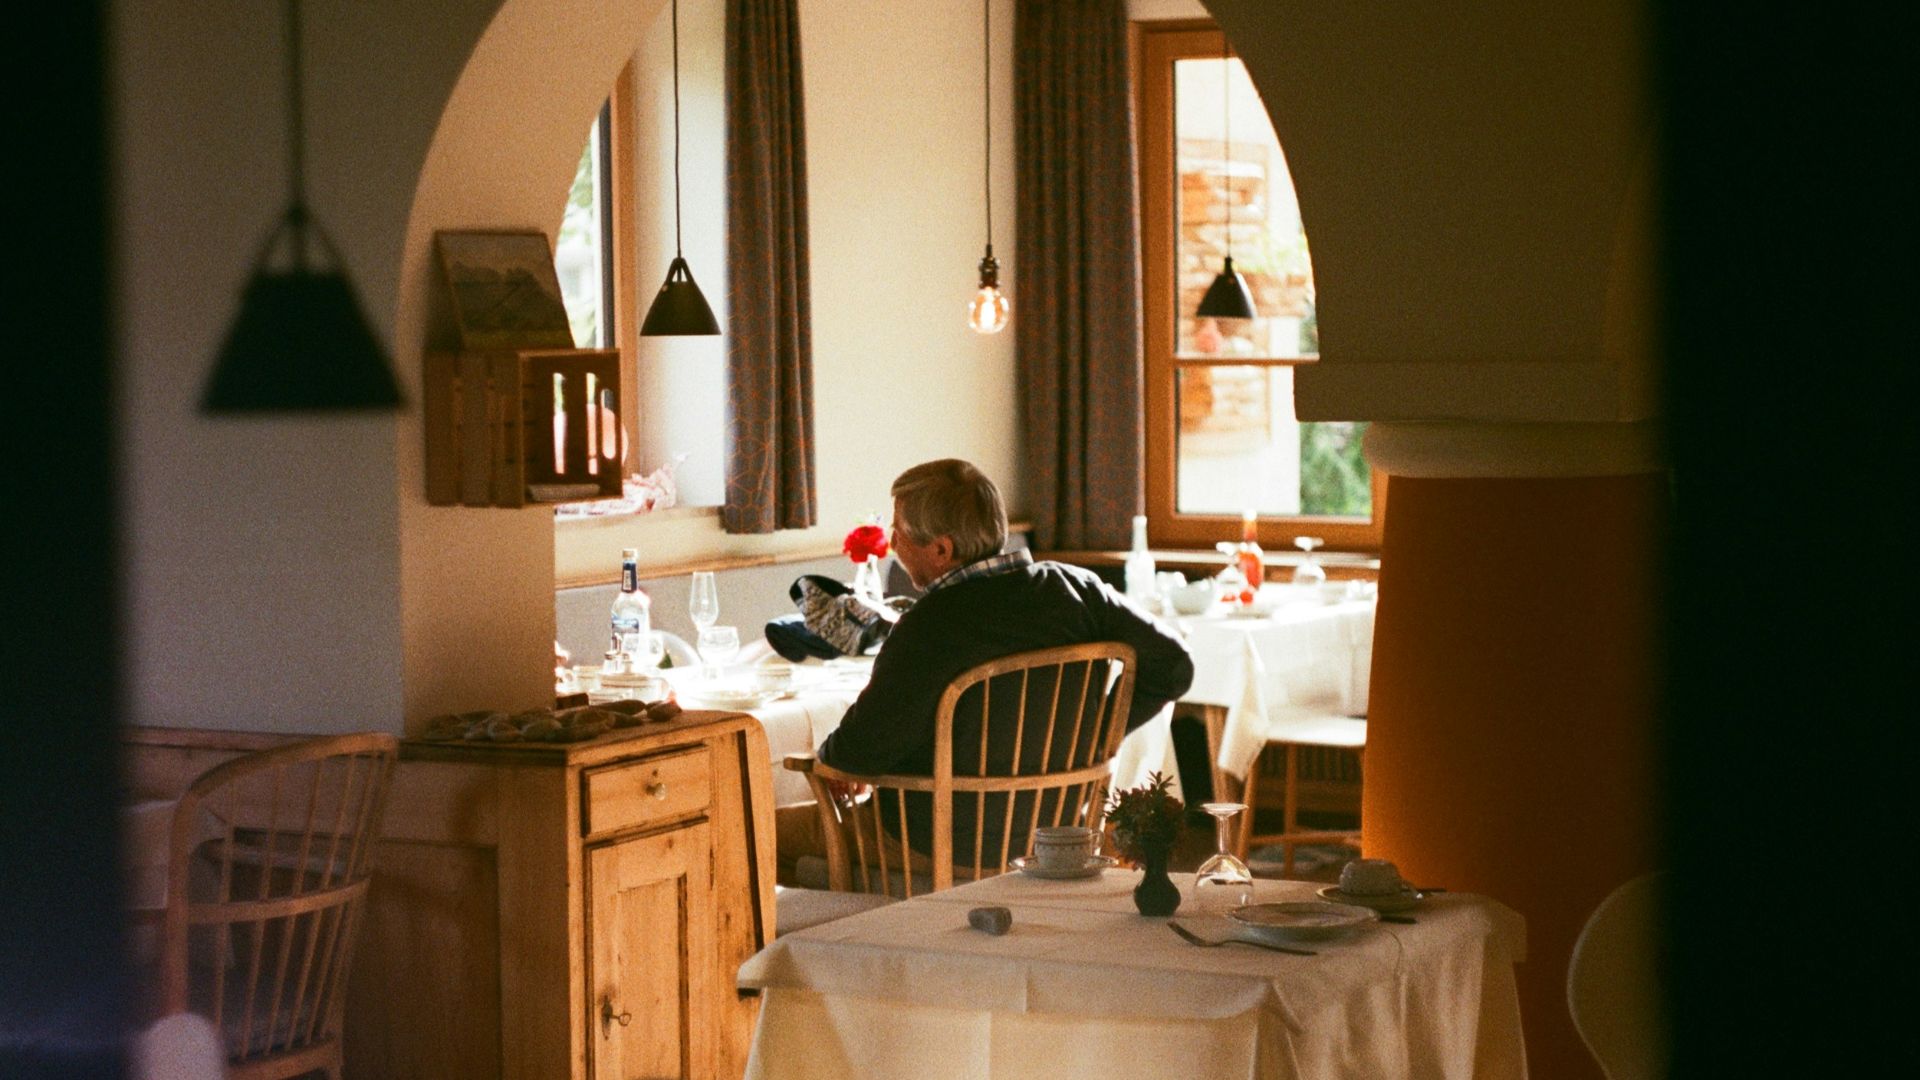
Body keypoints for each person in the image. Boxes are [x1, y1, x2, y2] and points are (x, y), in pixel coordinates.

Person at [813, 458, 1194, 866]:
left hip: (941, 844)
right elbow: (1174, 666)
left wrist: (832, 760)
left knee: (765, 839)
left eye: (899, 530)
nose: (892, 543)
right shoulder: (1076, 589)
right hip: (1060, 836)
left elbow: (858, 753)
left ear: (942, 549)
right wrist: (1096, 734)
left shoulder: (928, 625)